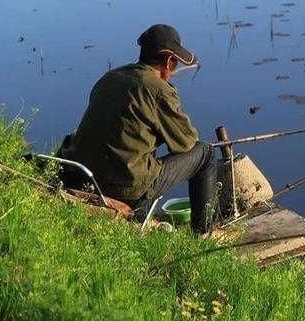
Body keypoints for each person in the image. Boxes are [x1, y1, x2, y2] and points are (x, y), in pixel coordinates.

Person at [58, 24, 217, 234]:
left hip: (83, 177)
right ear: (169, 61)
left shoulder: (109, 78)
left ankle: (140, 214)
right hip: (124, 187)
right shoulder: (159, 89)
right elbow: (186, 142)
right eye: (176, 63)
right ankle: (204, 233)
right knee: (205, 153)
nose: (175, 68)